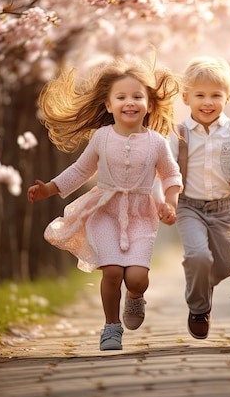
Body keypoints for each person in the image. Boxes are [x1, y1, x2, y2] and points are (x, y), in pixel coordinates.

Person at [27, 55, 183, 351]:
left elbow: (171, 175)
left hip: (140, 215)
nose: (130, 102)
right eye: (121, 96)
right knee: (112, 271)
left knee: (137, 278)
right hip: (104, 212)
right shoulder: (101, 138)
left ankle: (135, 298)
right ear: (108, 105)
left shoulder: (156, 143)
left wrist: (170, 203)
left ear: (148, 103)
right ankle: (111, 328)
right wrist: (49, 188)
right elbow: (80, 170)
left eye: (138, 96)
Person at [168, 56, 230, 339]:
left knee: (225, 266)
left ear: (227, 98)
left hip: (225, 208)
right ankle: (198, 307)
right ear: (186, 98)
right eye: (200, 95)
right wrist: (163, 199)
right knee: (198, 256)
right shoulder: (179, 133)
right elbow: (166, 168)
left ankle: (201, 284)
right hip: (189, 207)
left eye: (216, 95)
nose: (208, 102)